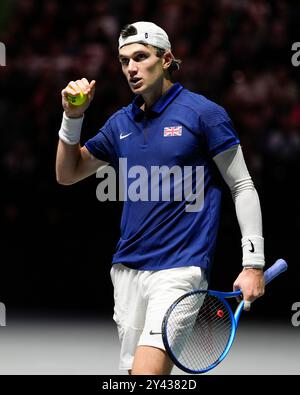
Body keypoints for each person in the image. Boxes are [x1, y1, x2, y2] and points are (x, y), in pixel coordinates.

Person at [56, 21, 265, 375]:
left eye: (140, 57)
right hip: (126, 271)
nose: (131, 69)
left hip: (179, 271)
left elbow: (242, 185)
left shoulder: (203, 114)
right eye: (124, 61)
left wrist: (253, 263)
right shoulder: (120, 122)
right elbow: (67, 173)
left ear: (166, 59)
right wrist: (72, 117)